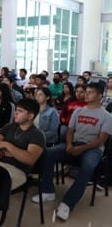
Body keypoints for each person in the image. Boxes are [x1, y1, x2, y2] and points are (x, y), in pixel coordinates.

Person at [33, 82, 112, 221]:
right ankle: (47, 191)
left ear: (100, 96)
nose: (86, 94)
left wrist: (80, 148)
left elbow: (101, 140)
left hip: (93, 149)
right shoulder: (78, 111)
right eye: (86, 91)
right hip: (74, 144)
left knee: (88, 166)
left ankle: (68, 203)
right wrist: (69, 144)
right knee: (48, 152)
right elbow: (70, 131)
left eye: (90, 92)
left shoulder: (106, 116)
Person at [0, 98, 45, 190]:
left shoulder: (37, 135)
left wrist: (7, 145)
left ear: (30, 116)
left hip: (19, 171)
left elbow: (29, 159)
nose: (15, 113)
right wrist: (17, 153)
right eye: (16, 110)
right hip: (0, 164)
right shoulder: (10, 126)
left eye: (20, 111)